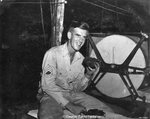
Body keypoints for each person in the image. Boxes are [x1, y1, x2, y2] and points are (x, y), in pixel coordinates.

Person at [37, 21, 132, 119]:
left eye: (84, 37)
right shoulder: (53, 53)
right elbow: (47, 86)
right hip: (52, 95)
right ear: (69, 35)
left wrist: (88, 75)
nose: (81, 40)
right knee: (48, 116)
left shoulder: (81, 59)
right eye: (77, 35)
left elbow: (78, 88)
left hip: (72, 95)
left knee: (106, 111)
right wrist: (69, 105)